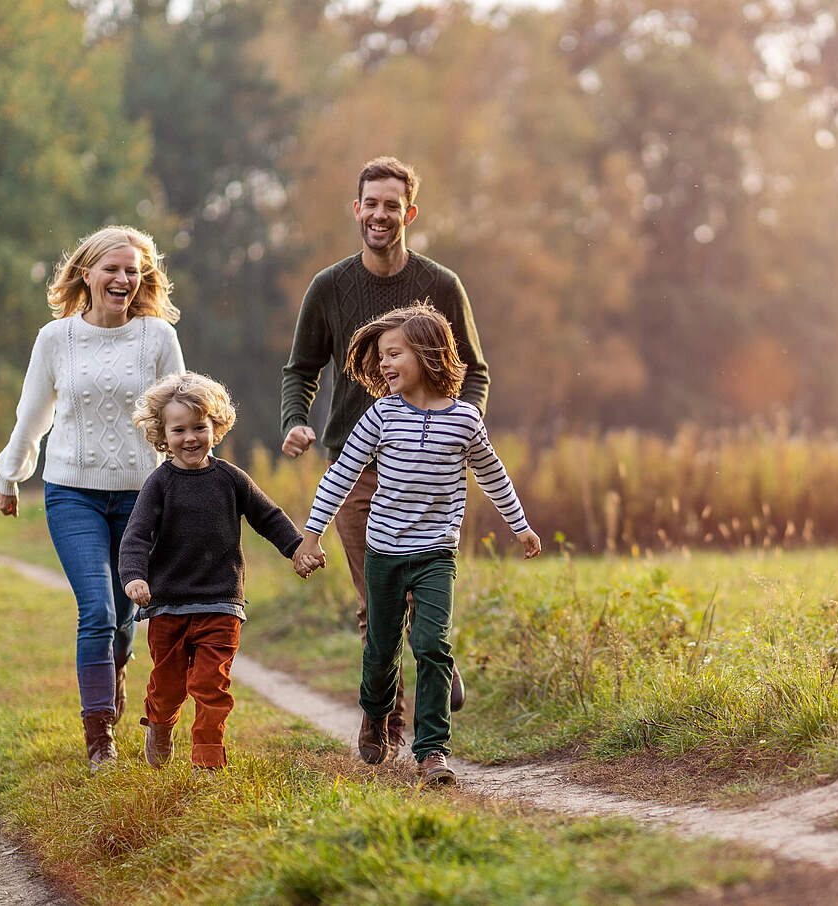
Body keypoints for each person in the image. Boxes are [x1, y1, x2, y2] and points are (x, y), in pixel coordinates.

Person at [281, 156, 489, 752]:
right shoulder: (329, 287)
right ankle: (383, 724)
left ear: (409, 213)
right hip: (356, 462)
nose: (380, 214)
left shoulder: (441, 285)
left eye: (391, 205)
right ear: (357, 209)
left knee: (424, 587)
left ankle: (435, 658)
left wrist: (462, 425)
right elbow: (300, 369)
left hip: (430, 463)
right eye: (370, 204)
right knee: (376, 602)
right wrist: (296, 421)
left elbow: (474, 371)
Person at [293, 304, 540, 784]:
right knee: (381, 651)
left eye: (393, 354)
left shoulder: (465, 420)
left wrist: (520, 525)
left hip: (435, 554)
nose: (384, 365)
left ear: (427, 353)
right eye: (381, 356)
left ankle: (432, 752)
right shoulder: (380, 416)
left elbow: (492, 474)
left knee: (432, 646)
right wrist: (311, 532)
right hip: (384, 551)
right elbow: (341, 475)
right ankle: (378, 715)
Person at [0, 225, 185, 773]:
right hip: (71, 492)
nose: (124, 279)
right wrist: (11, 477)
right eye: (112, 268)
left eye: (133, 270)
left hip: (140, 499)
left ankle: (116, 669)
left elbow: (181, 411)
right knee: (97, 611)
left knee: (125, 620)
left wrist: (190, 483)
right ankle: (99, 738)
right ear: (86, 273)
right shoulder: (56, 339)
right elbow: (33, 415)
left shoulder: (156, 338)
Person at [119, 372, 308, 773]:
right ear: (162, 435)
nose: (190, 438)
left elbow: (268, 516)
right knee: (169, 686)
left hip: (221, 601)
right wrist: (134, 576)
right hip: (167, 604)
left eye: (199, 427)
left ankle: (207, 760)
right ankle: (160, 721)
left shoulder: (230, 479)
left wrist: (297, 549)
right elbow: (136, 536)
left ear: (215, 428)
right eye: (179, 430)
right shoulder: (159, 484)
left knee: (211, 685)